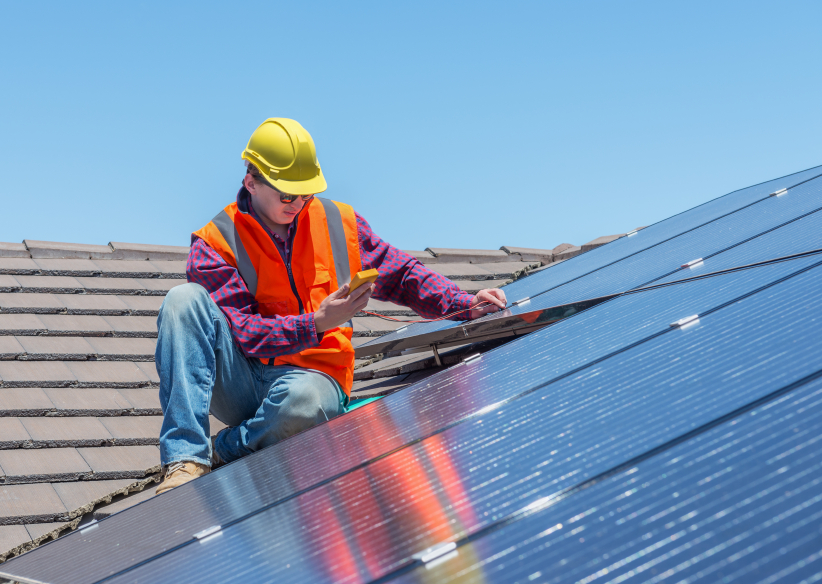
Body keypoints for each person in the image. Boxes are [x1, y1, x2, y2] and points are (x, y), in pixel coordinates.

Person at [155, 118, 507, 494]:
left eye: (305, 194)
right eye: (287, 195)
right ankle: (186, 459)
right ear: (251, 182)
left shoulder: (338, 223)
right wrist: (318, 322)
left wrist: (463, 304)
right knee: (182, 300)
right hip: (241, 379)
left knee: (305, 405)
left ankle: (226, 447)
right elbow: (246, 334)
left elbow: (403, 275)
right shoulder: (216, 243)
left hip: (312, 383)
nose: (298, 204)